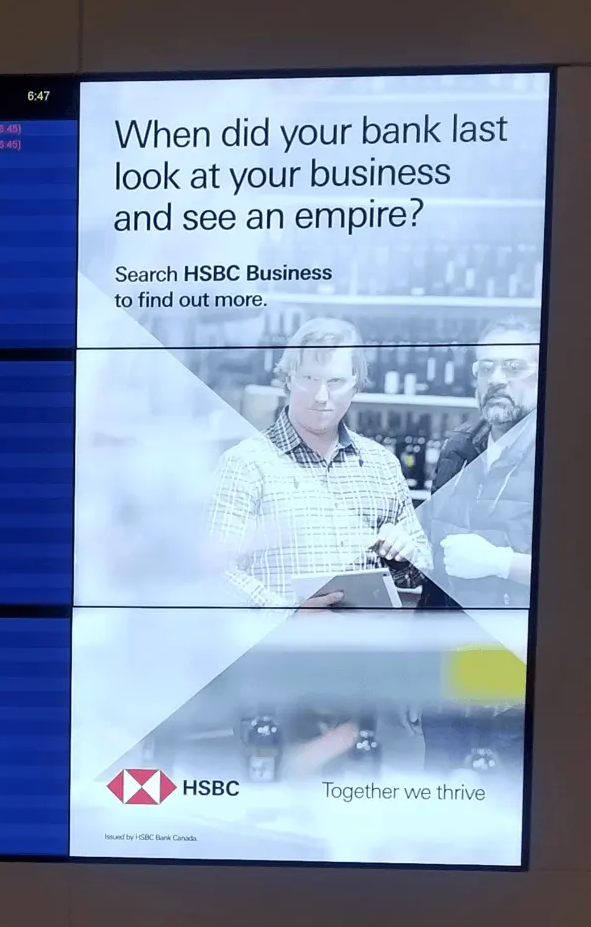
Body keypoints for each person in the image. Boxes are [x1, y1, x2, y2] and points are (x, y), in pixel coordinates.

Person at [208, 317, 431, 608]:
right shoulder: (244, 464)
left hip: (365, 647)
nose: (321, 396)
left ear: (356, 385)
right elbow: (213, 571)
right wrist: (287, 615)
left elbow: (420, 574)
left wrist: (404, 556)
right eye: (309, 379)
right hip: (281, 648)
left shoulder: (382, 465)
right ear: (288, 378)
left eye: (335, 382)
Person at [417, 317, 540, 777]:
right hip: (447, 675)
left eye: (513, 366)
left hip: (518, 684)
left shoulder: (567, 450)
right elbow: (436, 572)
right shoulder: (458, 449)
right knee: (439, 808)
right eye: (486, 368)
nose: (497, 380)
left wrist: (501, 563)